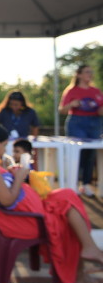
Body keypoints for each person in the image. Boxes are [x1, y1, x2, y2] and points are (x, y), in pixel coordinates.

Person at [0, 123, 103, 283]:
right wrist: (19, 178)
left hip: (26, 213)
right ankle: (82, 266)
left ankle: (87, 253)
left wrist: (12, 174)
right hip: (26, 220)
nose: (6, 149)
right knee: (69, 209)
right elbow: (7, 200)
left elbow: (3, 191)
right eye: (4, 145)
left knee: (67, 196)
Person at [58, 65, 103, 197]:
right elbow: (62, 110)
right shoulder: (72, 91)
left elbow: (101, 110)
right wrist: (72, 104)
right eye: (87, 72)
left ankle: (86, 184)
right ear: (79, 74)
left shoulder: (96, 91)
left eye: (91, 72)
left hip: (95, 123)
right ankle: (74, 183)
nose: (90, 74)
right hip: (77, 122)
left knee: (91, 154)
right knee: (77, 153)